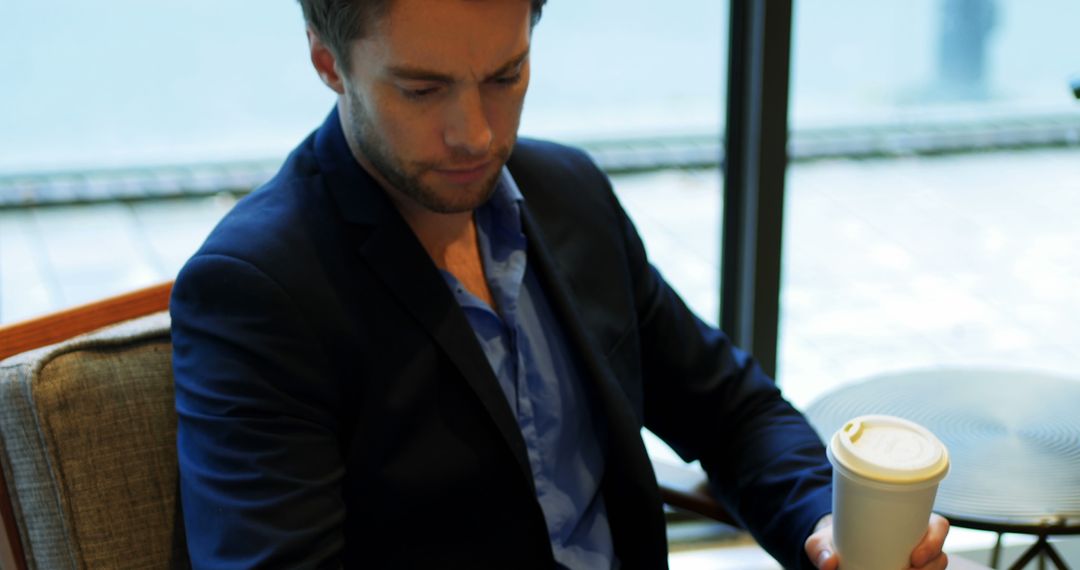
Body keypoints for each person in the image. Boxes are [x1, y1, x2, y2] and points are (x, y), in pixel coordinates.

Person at [169, 0, 950, 568]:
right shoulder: (256, 291)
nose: (475, 134)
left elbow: (732, 412)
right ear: (328, 62)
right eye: (421, 89)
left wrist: (827, 526)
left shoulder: (566, 190)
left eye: (505, 75)